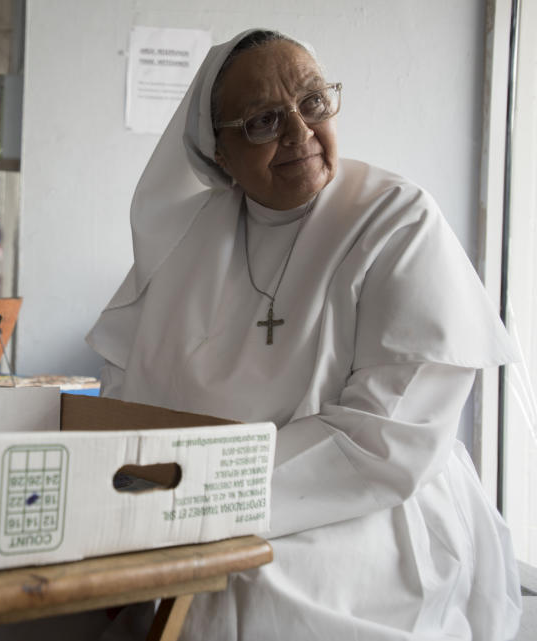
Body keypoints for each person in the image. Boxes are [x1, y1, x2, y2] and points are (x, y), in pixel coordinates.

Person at [86, 29, 522, 640]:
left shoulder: (396, 217)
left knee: (238, 590)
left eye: (313, 102)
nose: (299, 133)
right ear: (219, 152)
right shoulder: (190, 240)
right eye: (264, 120)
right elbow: (131, 389)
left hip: (369, 502)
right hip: (200, 496)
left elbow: (389, 438)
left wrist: (206, 502)